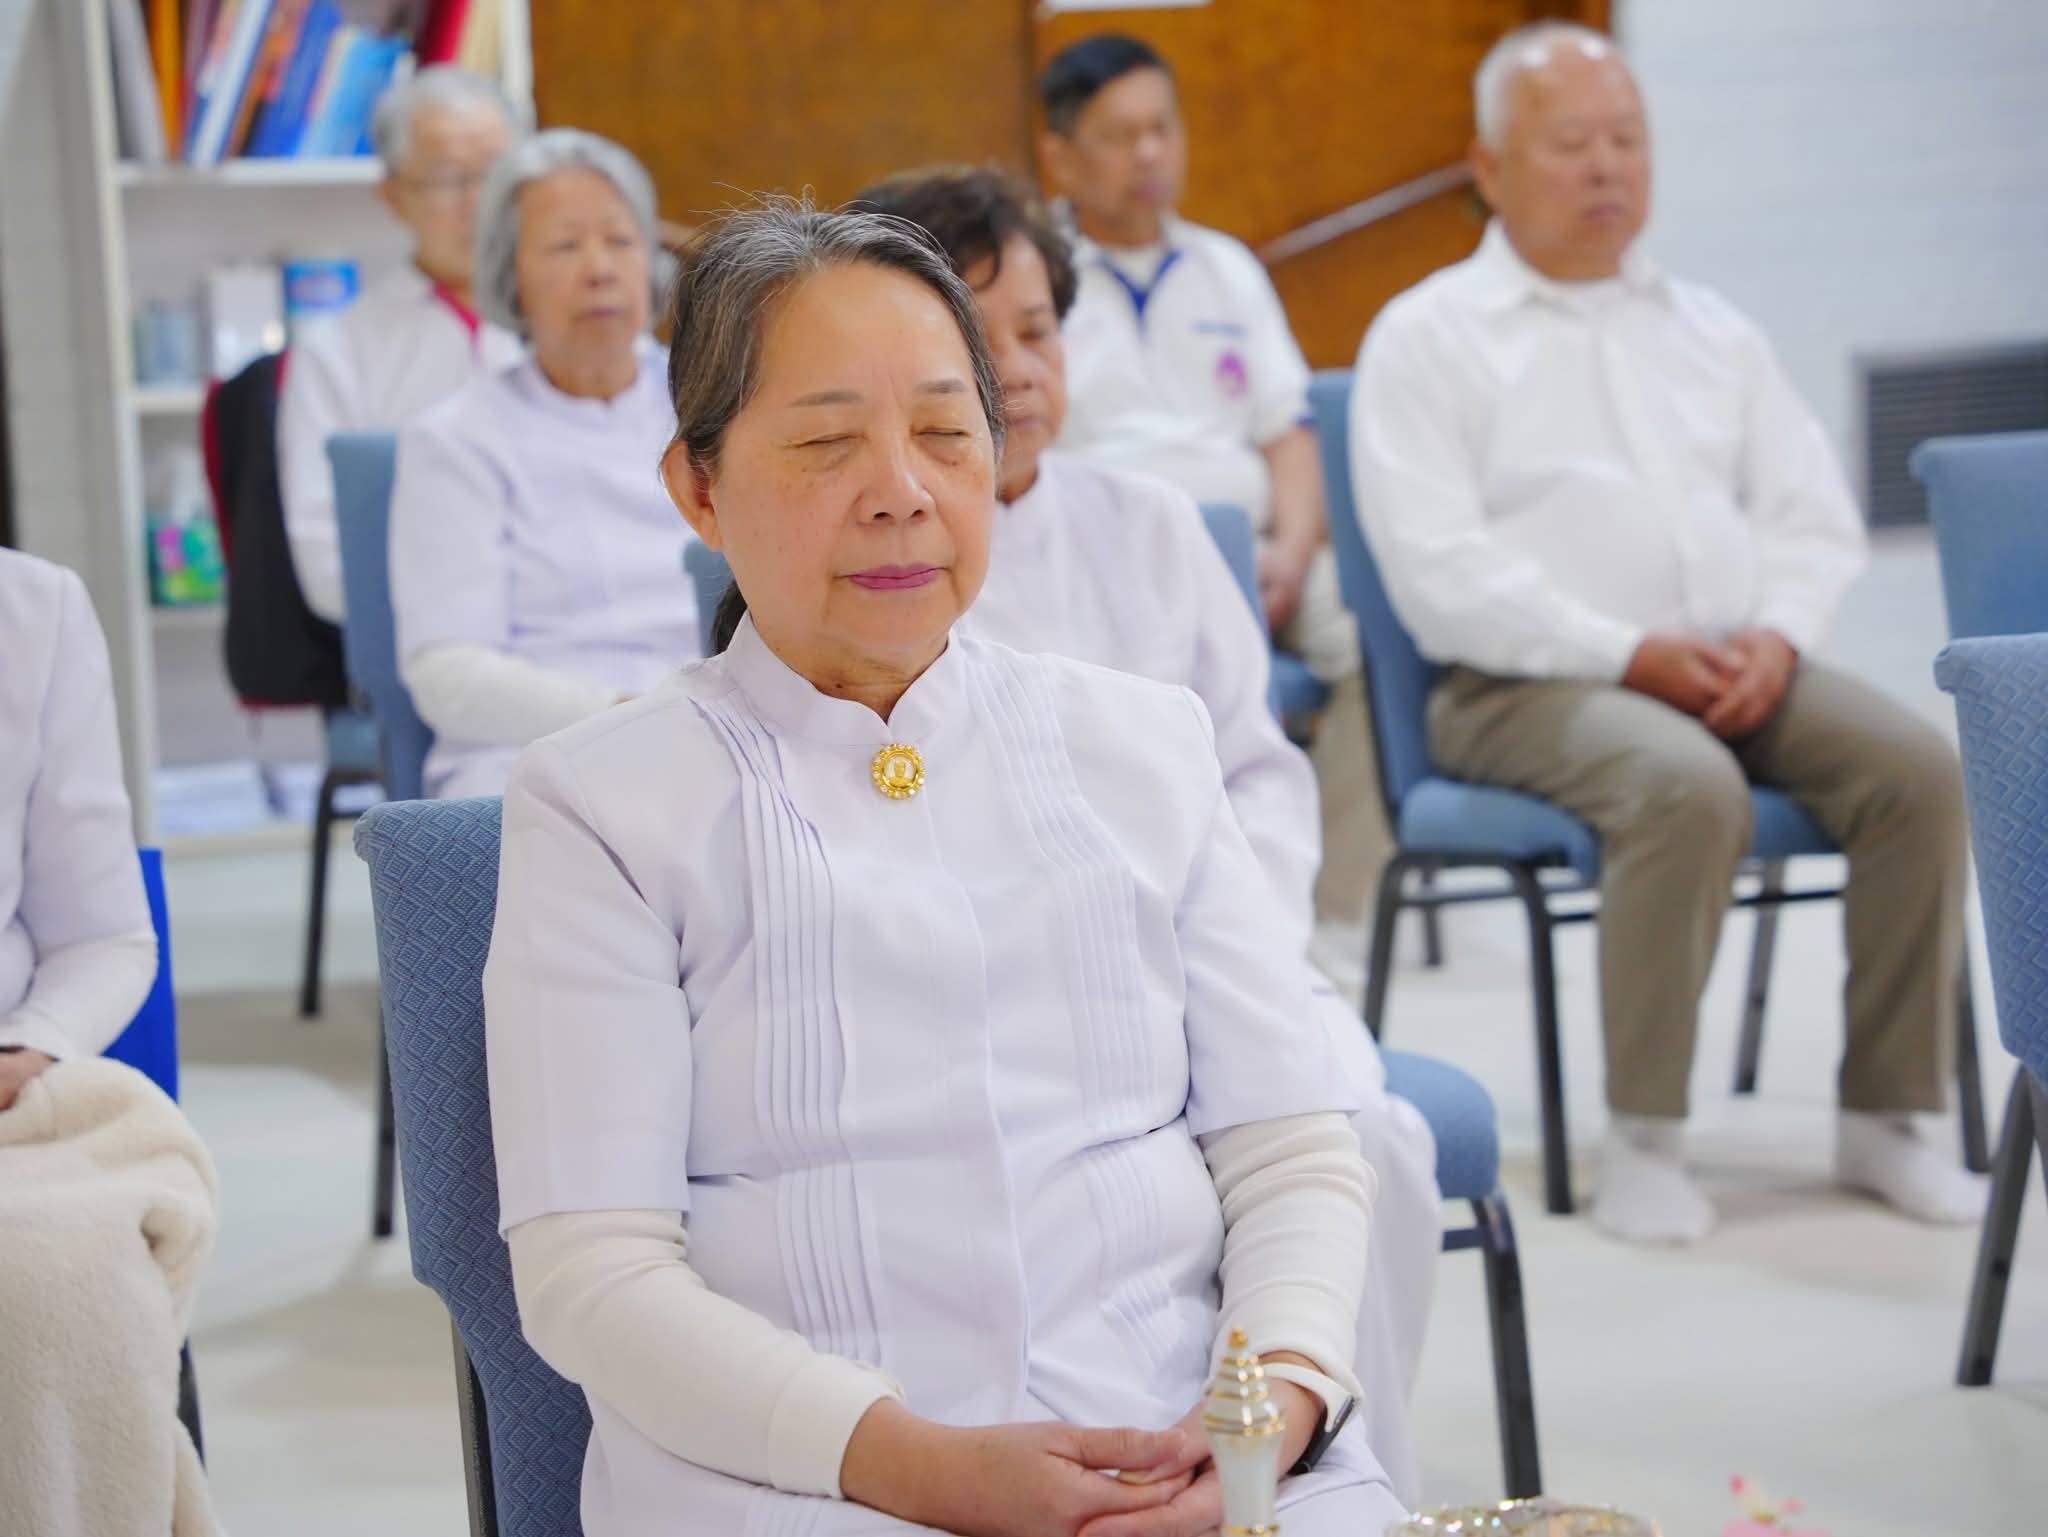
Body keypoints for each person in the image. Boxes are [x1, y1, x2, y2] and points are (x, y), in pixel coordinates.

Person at [485, 202, 1406, 1537]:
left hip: (1194, 1463)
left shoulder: (1141, 745)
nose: (900, 491)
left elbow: (1290, 1150)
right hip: (808, 1487)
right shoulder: (603, 806)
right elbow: (594, 1272)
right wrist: (921, 1467)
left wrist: (1259, 1425)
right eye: (825, 443)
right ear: (697, 489)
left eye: (943, 433)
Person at [852, 163, 1437, 1503]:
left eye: (1039, 329)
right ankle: (1141, 1468)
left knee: (1372, 1141)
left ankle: (1335, 1488)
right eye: (977, 336)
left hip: (1221, 955)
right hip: (1025, 1007)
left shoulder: (1156, 526)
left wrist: (1234, 939)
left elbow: (1258, 773)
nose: (1019, 368)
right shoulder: (883, 562)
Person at [1352, 21, 1983, 1244]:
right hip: (1516, 688)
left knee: (1918, 773)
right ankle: (1646, 1137)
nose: (1605, 166)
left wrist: (1778, 636)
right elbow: (1439, 574)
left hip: (1733, 664)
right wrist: (1626, 652)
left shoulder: (1709, 328)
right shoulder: (1427, 336)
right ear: (1487, 167)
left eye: (1625, 139)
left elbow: (1809, 514)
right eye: (1570, 143)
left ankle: (1885, 1115)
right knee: (1685, 788)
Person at [1037, 34, 1388, 1005]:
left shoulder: (1226, 268)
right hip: (1112, 557)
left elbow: (1286, 433)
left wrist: (1293, 549)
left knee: (1373, 638)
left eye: (1162, 127)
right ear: (1060, 155)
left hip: (1258, 552)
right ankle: (1165, 928)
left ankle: (1330, 923)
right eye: (1119, 136)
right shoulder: (1037, 279)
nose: (1149, 153)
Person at [0, 549, 221, 1535]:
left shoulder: (31, 611)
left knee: (59, 1291)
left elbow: (102, 935)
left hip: (10, 1096)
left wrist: (32, 1047)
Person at [389, 129, 698, 799]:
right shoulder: (457, 439)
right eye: (564, 246)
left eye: (620, 240)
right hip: (536, 749)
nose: (600, 269)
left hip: (718, 728)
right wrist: (625, 717)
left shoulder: (713, 405)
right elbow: (449, 674)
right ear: (511, 278)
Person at [277, 65, 526, 624]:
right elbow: (328, 565)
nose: (478, 201)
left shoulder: (580, 328)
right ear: (393, 196)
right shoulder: (335, 349)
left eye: (497, 173)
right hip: (420, 639)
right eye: (448, 178)